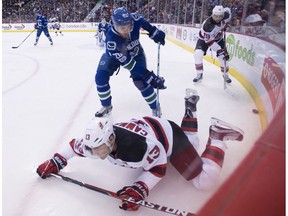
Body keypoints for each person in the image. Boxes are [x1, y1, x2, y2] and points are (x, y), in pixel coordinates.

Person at [36, 88, 244, 212]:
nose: (94, 152)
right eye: (92, 148)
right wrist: (57, 161)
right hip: (152, 127)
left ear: (110, 140)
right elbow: (75, 146)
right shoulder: (97, 140)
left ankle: (217, 136)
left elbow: (159, 166)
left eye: (98, 148)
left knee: (204, 181)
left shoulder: (137, 148)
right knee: (192, 146)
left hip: (167, 138)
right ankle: (190, 110)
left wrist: (140, 188)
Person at [94, 7, 166, 118]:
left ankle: (155, 107)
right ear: (113, 25)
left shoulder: (135, 19)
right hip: (113, 56)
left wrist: (154, 32)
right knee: (100, 77)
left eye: (128, 26)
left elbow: (144, 23)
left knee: (140, 82)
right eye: (121, 28)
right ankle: (106, 105)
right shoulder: (111, 41)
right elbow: (130, 65)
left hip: (136, 53)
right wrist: (148, 75)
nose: (125, 30)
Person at [193, 5, 232, 83]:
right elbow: (209, 42)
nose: (217, 19)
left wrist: (226, 24)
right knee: (197, 54)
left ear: (223, 15)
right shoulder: (207, 25)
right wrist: (219, 50)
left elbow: (228, 10)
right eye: (215, 16)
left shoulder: (226, 16)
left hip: (218, 39)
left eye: (219, 16)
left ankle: (225, 74)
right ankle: (199, 74)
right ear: (212, 14)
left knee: (223, 57)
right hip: (204, 40)